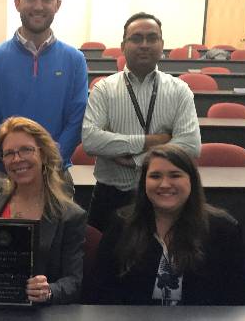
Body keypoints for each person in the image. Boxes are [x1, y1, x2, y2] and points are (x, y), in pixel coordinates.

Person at [0, 117, 86, 305]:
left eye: (26, 150)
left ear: (43, 154)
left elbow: (73, 282)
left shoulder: (70, 215)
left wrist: (49, 291)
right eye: (9, 153)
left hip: (39, 313)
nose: (17, 159)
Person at [92, 144, 245, 305]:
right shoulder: (121, 226)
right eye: (155, 176)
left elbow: (241, 296)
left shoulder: (224, 230)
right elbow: (99, 292)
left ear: (191, 180)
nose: (164, 184)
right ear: (144, 183)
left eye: (175, 175)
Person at [82, 12, 201, 232]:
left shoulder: (179, 90)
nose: (144, 45)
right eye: (136, 38)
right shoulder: (103, 89)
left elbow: (190, 145)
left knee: (161, 261)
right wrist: (153, 141)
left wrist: (138, 161)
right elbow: (91, 140)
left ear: (162, 44)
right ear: (123, 45)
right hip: (112, 195)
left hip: (165, 193)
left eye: (152, 38)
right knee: (107, 261)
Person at [0, 0, 88, 179]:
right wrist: (14, 159)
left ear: (58, 5)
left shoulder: (75, 60)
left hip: (56, 172)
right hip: (7, 172)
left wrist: (50, 160)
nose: (38, 6)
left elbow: (77, 119)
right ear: (17, 3)